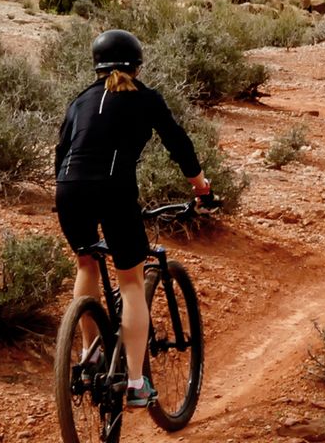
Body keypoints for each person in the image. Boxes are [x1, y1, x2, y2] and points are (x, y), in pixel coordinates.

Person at [54, 29, 211, 410]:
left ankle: (90, 355)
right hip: (113, 190)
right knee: (130, 281)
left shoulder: (80, 101)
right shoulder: (145, 99)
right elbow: (178, 143)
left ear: (96, 65)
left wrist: (65, 196)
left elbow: (61, 151)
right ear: (137, 65)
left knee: (86, 262)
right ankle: (137, 384)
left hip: (68, 189)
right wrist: (201, 186)